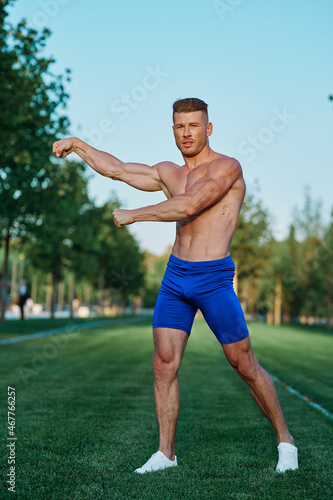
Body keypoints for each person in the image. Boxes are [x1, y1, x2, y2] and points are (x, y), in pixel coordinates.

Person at [53, 97, 298, 474]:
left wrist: (135, 214)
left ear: (208, 128)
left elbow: (188, 206)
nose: (186, 133)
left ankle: (286, 442)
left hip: (213, 277)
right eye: (180, 127)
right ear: (173, 130)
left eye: (194, 126)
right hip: (175, 278)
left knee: (243, 363)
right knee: (163, 363)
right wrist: (79, 145)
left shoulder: (227, 167)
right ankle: (165, 454)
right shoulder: (169, 171)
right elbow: (117, 170)